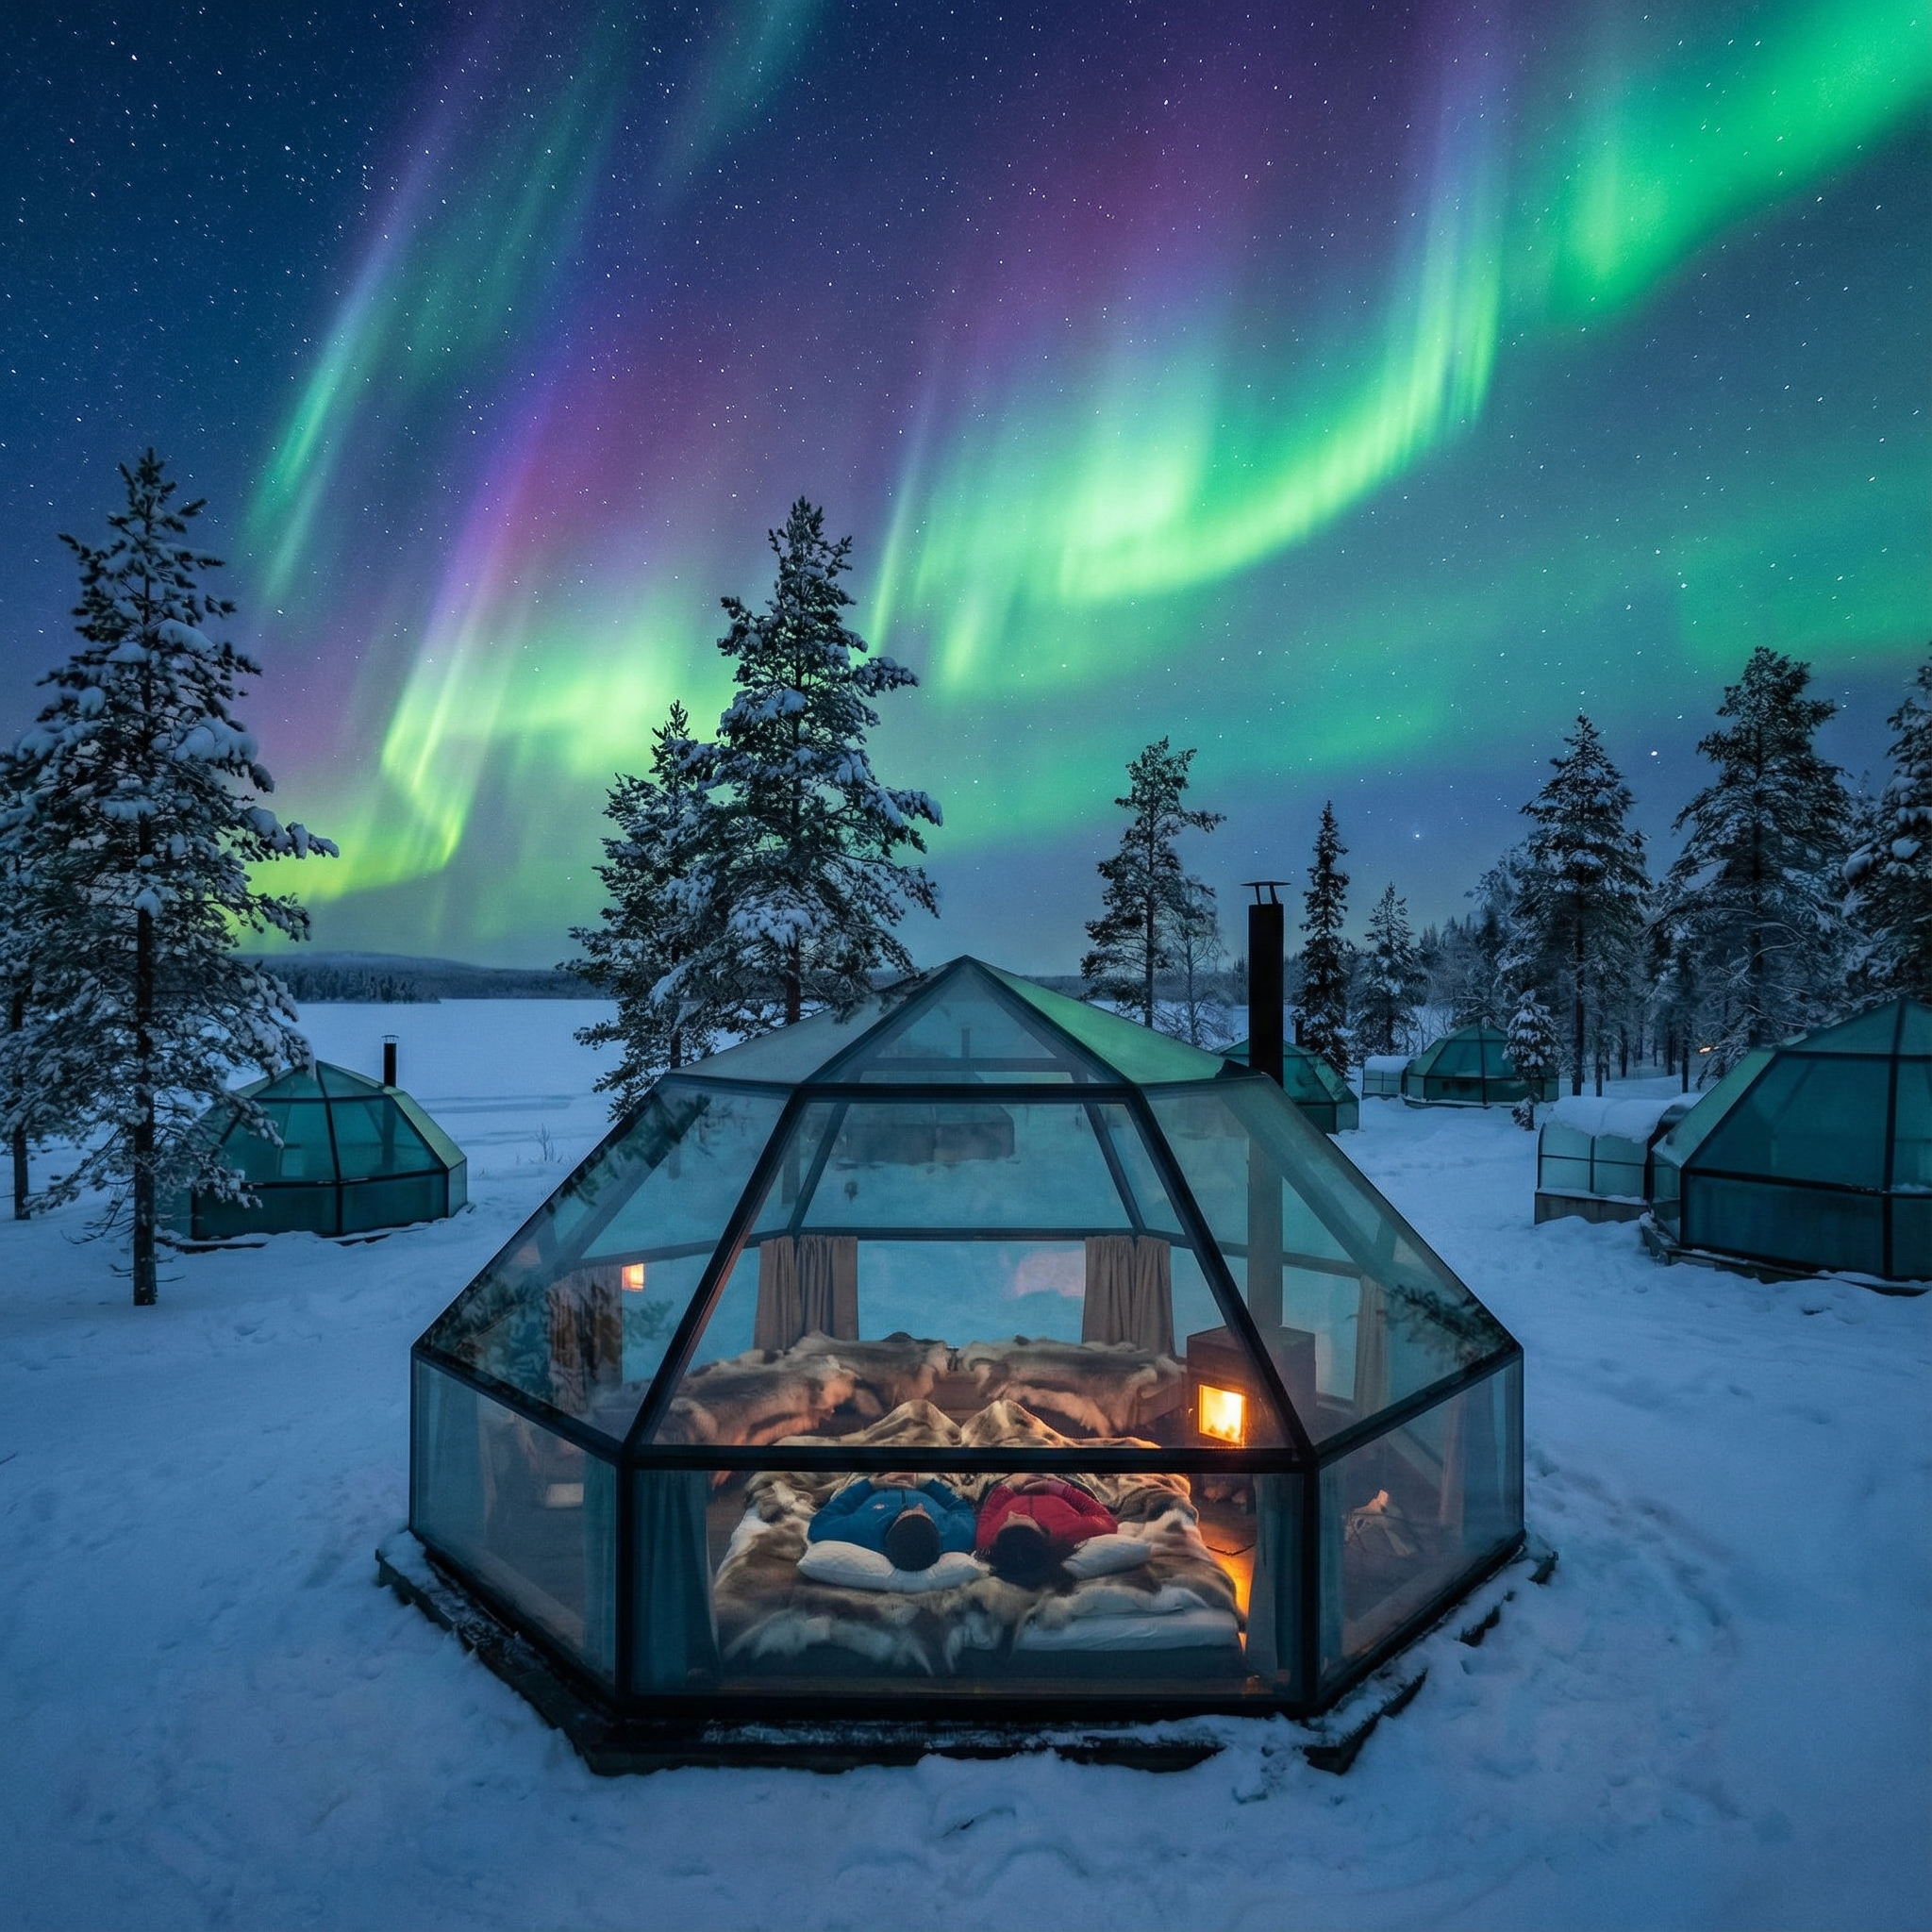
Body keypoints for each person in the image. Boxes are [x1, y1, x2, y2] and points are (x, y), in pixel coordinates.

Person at [806, 1472, 976, 1573]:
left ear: (894, 1523)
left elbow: (820, 1523)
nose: (920, 1506)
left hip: (874, 1477)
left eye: (908, 1512)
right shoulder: (955, 1535)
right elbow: (962, 1509)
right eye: (925, 1513)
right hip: (923, 1479)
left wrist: (870, 1485)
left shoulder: (862, 1530)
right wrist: (928, 1484)